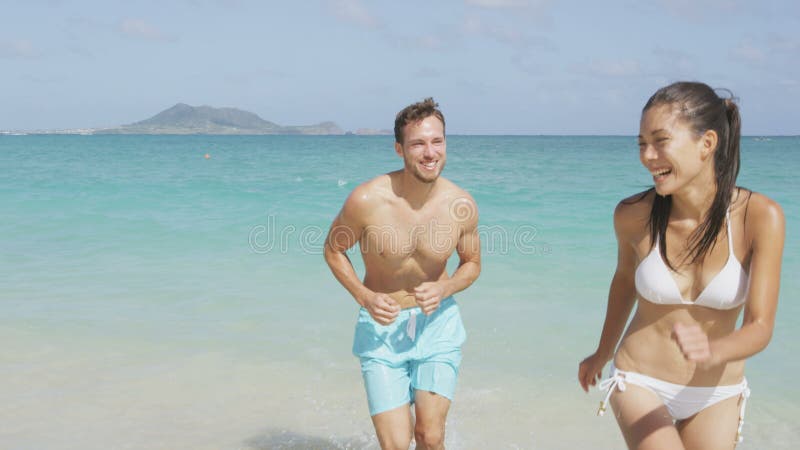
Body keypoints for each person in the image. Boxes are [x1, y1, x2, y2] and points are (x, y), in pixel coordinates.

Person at [578, 81, 785, 449]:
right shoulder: (633, 215)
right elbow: (624, 282)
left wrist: (715, 350)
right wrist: (603, 351)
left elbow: (760, 325)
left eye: (660, 141)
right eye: (642, 144)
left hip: (717, 391)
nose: (647, 156)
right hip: (640, 379)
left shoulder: (760, 217)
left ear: (707, 143)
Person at [324, 97, 481, 450]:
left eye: (437, 141)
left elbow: (472, 263)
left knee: (430, 436)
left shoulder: (461, 205)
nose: (430, 153)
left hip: (437, 324)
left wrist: (446, 288)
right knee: (395, 445)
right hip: (381, 330)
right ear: (399, 149)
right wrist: (364, 296)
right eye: (418, 144)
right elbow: (333, 249)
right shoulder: (366, 201)